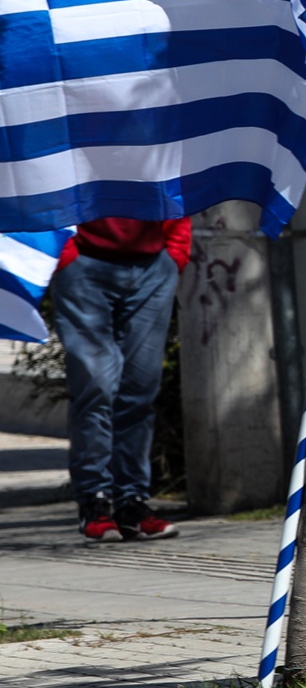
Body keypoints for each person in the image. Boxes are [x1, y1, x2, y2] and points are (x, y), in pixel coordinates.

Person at [53, 216, 191, 543]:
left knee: (139, 391)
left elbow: (174, 177)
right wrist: (65, 254)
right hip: (84, 264)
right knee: (95, 388)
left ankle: (132, 504)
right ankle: (95, 502)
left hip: (152, 266)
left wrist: (175, 253)